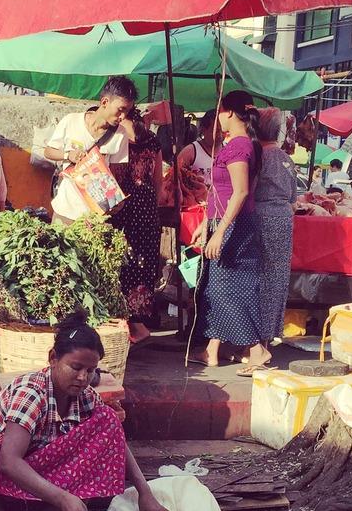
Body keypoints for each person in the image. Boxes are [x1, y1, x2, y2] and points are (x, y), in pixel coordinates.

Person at [0, 314, 175, 511]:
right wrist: (62, 497)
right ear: (53, 358)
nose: (83, 377)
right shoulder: (31, 393)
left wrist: (145, 492)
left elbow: (116, 438)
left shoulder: (85, 395)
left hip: (41, 482)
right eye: (76, 367)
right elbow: (9, 463)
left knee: (107, 419)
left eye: (90, 370)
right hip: (3, 483)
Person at [190, 91, 270, 374]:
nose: (218, 118)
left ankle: (257, 350)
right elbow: (220, 191)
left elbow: (241, 192)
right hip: (224, 221)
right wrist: (206, 223)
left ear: (230, 113)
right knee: (218, 288)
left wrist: (220, 231)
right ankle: (211, 351)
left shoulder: (239, 146)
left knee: (226, 291)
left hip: (234, 225)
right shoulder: (237, 144)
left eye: (220, 112)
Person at [42, 75, 136, 224]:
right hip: (65, 210)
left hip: (95, 217)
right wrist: (68, 155)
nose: (123, 116)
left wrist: (116, 201)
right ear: (104, 102)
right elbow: (48, 151)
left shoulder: (120, 135)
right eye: (120, 110)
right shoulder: (71, 121)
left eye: (127, 111)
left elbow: (116, 175)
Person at [112, 114, 163, 344]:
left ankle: (133, 325)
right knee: (143, 265)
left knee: (124, 264)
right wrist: (153, 206)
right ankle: (137, 322)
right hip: (147, 208)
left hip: (123, 208)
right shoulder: (153, 140)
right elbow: (158, 181)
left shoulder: (117, 138)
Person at [253, 108, 298, 346]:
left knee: (258, 276)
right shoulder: (286, 159)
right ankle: (268, 335)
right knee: (277, 277)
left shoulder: (258, 157)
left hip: (261, 217)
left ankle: (256, 339)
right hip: (283, 219)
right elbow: (293, 198)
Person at [175, 111, 219, 207]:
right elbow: (174, 177)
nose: (219, 135)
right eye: (215, 131)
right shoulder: (191, 151)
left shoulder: (228, 151)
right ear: (203, 129)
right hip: (196, 208)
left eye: (222, 131)